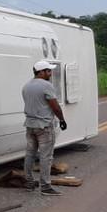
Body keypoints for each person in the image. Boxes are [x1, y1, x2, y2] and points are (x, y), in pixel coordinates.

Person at [22, 60, 67, 196]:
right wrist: (62, 119)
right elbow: (54, 106)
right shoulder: (46, 86)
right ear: (41, 72)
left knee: (30, 154)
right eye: (48, 71)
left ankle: (29, 182)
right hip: (44, 127)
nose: (50, 73)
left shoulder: (26, 86)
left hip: (30, 125)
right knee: (45, 156)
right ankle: (46, 186)